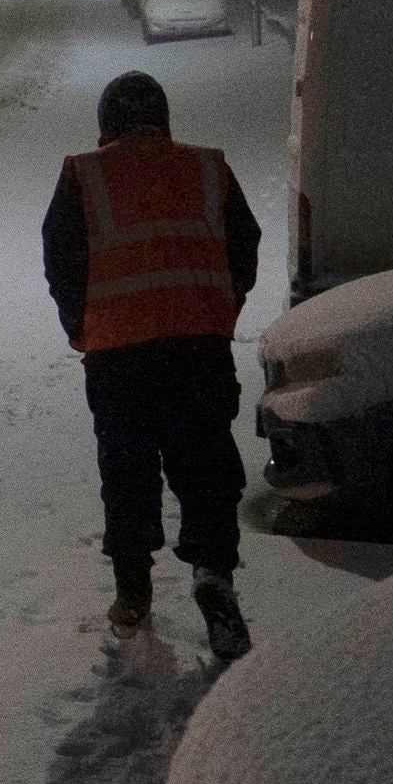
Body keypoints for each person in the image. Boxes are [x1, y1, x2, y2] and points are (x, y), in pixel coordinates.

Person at [42, 70, 261, 659]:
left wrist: (81, 324)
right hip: (199, 346)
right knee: (206, 459)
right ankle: (213, 571)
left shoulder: (83, 175)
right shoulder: (208, 167)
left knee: (127, 466)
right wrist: (223, 307)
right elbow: (245, 243)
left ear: (106, 124)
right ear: (163, 118)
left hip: (118, 353)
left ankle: (133, 591)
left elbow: (61, 257)